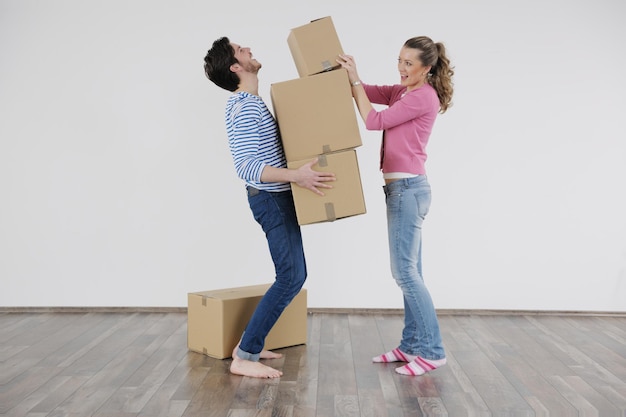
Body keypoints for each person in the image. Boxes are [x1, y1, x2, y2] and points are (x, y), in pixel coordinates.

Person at [203, 37, 335, 379]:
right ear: (235, 67)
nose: (247, 48)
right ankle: (244, 355)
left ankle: (249, 343)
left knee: (293, 274)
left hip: (275, 198)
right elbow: (246, 166)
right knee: (291, 276)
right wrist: (297, 177)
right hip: (271, 200)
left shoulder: (249, 102)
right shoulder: (245, 105)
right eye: (239, 50)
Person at [337, 36, 454, 376]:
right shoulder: (403, 91)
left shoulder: (423, 97)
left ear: (426, 68)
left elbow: (374, 121)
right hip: (400, 190)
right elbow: (366, 92)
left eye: (408, 63)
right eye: (399, 60)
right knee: (411, 272)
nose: (401, 68)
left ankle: (433, 351)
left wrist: (355, 82)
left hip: (408, 189)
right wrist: (348, 74)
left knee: (404, 273)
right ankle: (411, 346)